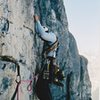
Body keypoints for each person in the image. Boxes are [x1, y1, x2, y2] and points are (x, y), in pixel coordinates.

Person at [34, 15, 64, 86]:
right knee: (47, 79)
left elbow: (43, 35)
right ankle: (53, 80)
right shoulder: (52, 38)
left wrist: (37, 21)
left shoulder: (52, 37)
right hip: (50, 60)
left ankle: (53, 80)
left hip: (50, 61)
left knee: (46, 79)